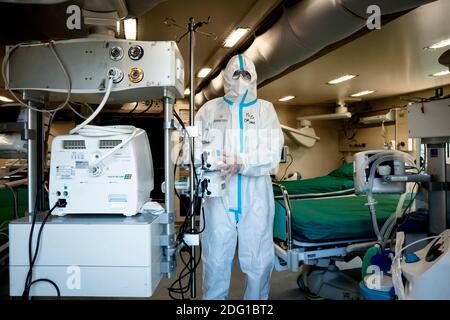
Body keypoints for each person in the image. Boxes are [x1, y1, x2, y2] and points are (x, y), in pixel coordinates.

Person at [195, 54, 284, 300]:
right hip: (218, 195)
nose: (241, 79)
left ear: (254, 78)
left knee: (259, 260)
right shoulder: (209, 110)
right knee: (215, 259)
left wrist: (242, 161)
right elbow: (190, 148)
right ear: (225, 77)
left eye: (247, 75)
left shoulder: (265, 110)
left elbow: (272, 152)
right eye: (236, 74)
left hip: (256, 196)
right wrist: (209, 159)